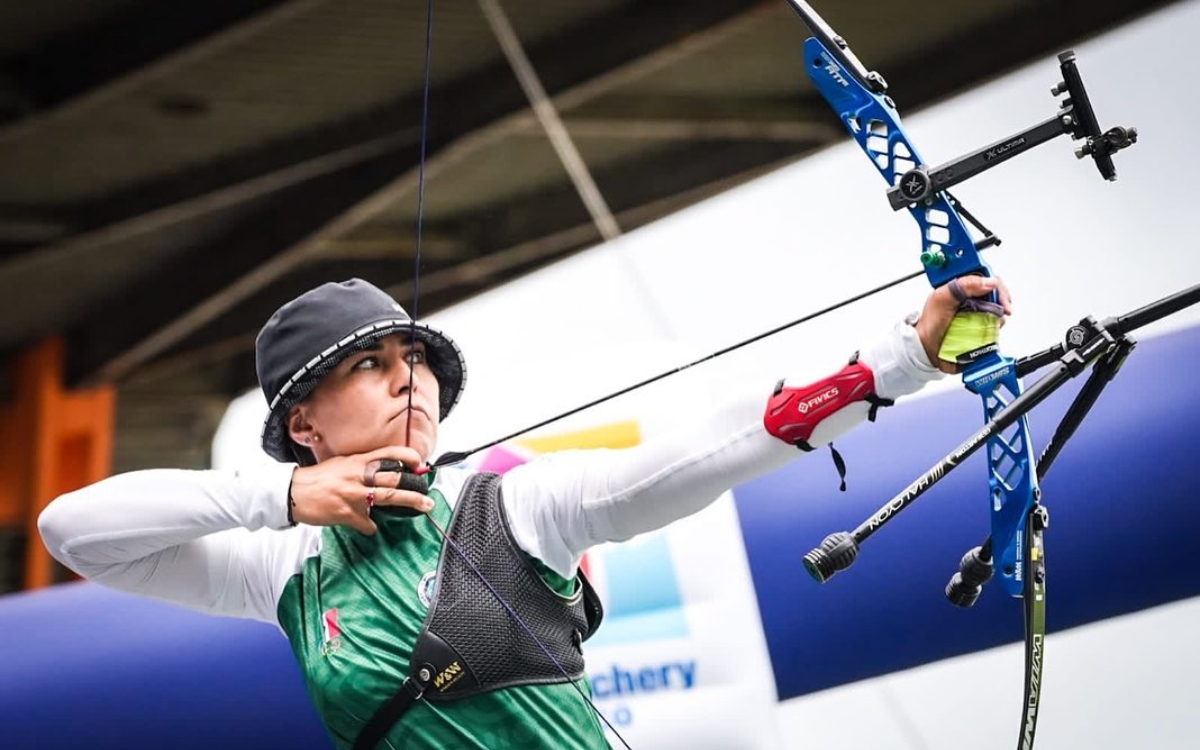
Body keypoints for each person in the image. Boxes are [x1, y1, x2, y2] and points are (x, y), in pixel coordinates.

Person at [38, 274, 1009, 750]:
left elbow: (704, 449)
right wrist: (281, 499)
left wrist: (898, 359)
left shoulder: (509, 506)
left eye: (413, 359)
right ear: (304, 421)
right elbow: (69, 531)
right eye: (369, 366)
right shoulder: (281, 570)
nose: (406, 378)